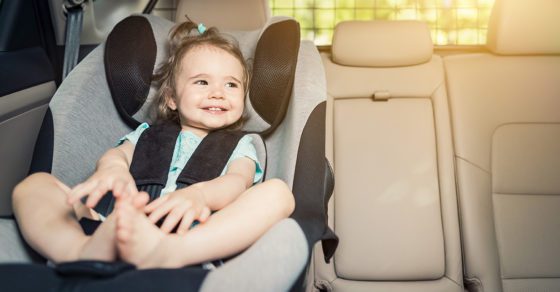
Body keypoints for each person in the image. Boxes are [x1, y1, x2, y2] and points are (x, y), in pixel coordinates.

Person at [11, 20, 295, 270]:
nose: (218, 93)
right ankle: (78, 251)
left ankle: (169, 253)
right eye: (202, 82)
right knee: (33, 185)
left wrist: (201, 197)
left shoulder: (241, 144)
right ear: (171, 98)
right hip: (117, 224)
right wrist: (112, 170)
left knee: (279, 194)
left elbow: (237, 181)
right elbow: (118, 155)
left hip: (193, 233)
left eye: (232, 85)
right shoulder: (147, 134)